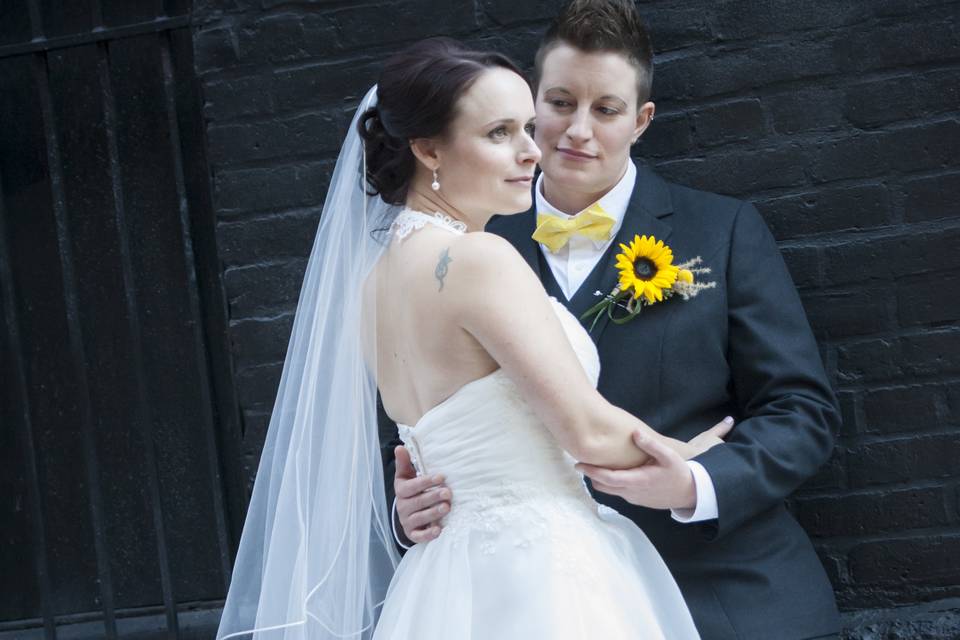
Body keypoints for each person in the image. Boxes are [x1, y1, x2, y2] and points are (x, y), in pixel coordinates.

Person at [217, 35, 724, 640]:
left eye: (529, 128)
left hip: (441, 580)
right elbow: (585, 431)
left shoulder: (371, 288)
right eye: (499, 133)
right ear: (429, 149)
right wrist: (688, 461)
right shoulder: (477, 258)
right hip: (540, 573)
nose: (533, 152)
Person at [386, 2, 843, 640]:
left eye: (605, 109)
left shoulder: (722, 231)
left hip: (723, 597)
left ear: (640, 120)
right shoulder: (464, 247)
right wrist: (417, 504)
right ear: (531, 103)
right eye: (560, 102)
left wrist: (695, 482)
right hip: (531, 601)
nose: (577, 130)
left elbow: (802, 410)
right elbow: (440, 411)